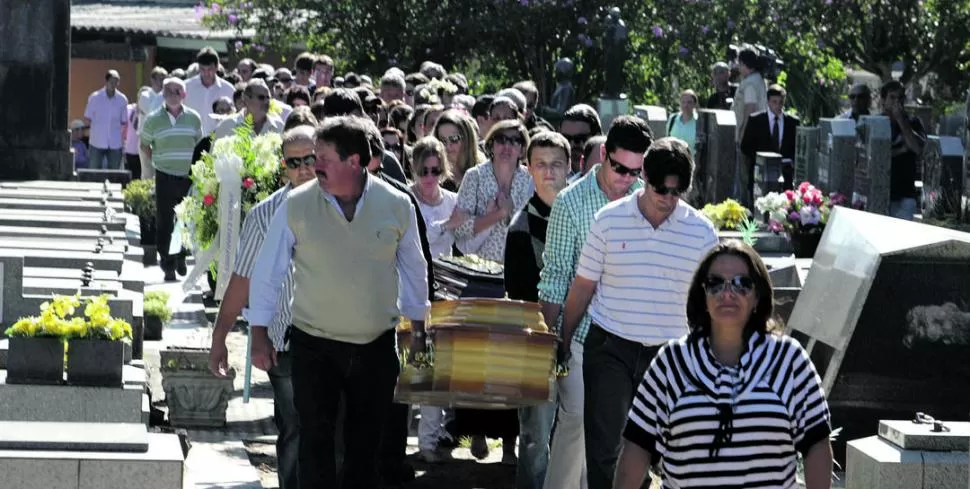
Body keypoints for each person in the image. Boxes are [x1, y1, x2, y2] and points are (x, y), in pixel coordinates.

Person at [247, 116, 430, 489]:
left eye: (324, 158)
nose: (315, 166)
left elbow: (414, 269)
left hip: (375, 347)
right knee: (316, 441)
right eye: (314, 157)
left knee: (365, 447)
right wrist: (259, 331)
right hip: (314, 345)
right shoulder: (296, 205)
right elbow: (268, 271)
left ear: (355, 162)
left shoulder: (396, 204)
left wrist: (419, 328)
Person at [562, 137, 718, 489]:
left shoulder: (701, 232)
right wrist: (564, 339)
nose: (667, 198)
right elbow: (584, 286)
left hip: (670, 355)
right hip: (610, 347)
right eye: (660, 188)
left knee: (670, 451)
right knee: (605, 449)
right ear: (643, 175)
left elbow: (711, 301)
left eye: (676, 192)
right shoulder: (608, 220)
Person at [614, 240, 834, 489]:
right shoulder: (672, 363)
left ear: (757, 296)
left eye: (742, 284)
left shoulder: (789, 360)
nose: (727, 293)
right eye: (715, 284)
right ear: (703, 295)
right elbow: (637, 448)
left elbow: (816, 444)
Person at [537, 115, 649, 489]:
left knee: (618, 438)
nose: (626, 179)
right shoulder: (570, 203)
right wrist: (552, 342)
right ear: (603, 154)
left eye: (635, 172)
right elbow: (555, 279)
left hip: (632, 340)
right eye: (619, 167)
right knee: (575, 425)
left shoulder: (645, 201)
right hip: (581, 336)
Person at [207, 125, 318, 489]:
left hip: (338, 339)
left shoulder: (343, 205)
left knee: (337, 433)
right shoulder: (266, 214)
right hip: (284, 341)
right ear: (283, 167)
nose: (303, 168)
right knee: (294, 428)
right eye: (294, 162)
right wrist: (220, 336)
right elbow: (242, 281)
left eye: (310, 159)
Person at [505, 131, 571, 489]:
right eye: (541, 164)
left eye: (557, 164)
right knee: (535, 439)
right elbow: (520, 296)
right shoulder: (520, 228)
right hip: (537, 345)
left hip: (581, 339)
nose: (549, 172)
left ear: (569, 166)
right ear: (527, 168)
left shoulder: (581, 215)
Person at [140, 77, 203, 282]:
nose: (173, 95)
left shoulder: (194, 118)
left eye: (178, 91)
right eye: (169, 91)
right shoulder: (153, 119)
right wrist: (159, 162)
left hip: (187, 176)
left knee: (184, 221)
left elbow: (198, 145)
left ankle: (181, 256)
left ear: (184, 95)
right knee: (165, 221)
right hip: (165, 176)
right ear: (163, 94)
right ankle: (167, 263)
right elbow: (144, 145)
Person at [452, 119, 534, 262]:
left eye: (514, 141)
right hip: (478, 268)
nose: (506, 146)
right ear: (491, 145)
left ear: (522, 149)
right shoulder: (474, 176)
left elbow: (536, 230)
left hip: (518, 270)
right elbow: (459, 229)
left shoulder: (531, 180)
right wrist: (498, 214)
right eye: (501, 140)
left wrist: (511, 214)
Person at [880, 80, 926, 221]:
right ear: (883, 100)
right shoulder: (876, 122)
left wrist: (901, 120)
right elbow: (880, 155)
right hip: (882, 192)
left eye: (900, 98)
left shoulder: (913, 122)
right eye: (892, 98)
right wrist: (902, 149)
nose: (897, 102)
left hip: (906, 195)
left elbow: (918, 148)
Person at [741, 84, 800, 190]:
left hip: (785, 177)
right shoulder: (756, 120)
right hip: (761, 174)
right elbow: (745, 147)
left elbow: (795, 148)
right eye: (774, 102)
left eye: (781, 102)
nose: (778, 106)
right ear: (768, 102)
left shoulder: (792, 122)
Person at [184, 46, 235, 136]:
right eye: (202, 69)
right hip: (192, 140)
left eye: (210, 69)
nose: (206, 73)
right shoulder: (186, 87)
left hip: (219, 140)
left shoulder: (228, 89)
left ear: (216, 67)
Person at [83, 70, 128, 170]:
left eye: (116, 82)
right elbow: (87, 118)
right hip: (96, 141)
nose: (114, 85)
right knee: (93, 172)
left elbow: (123, 121)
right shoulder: (95, 97)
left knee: (115, 173)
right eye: (112, 82)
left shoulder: (122, 99)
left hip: (115, 142)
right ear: (106, 82)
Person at [666, 89, 699, 156]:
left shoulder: (698, 122)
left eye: (689, 102)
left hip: (691, 163)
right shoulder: (672, 119)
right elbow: (667, 140)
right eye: (683, 102)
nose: (686, 105)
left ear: (695, 104)